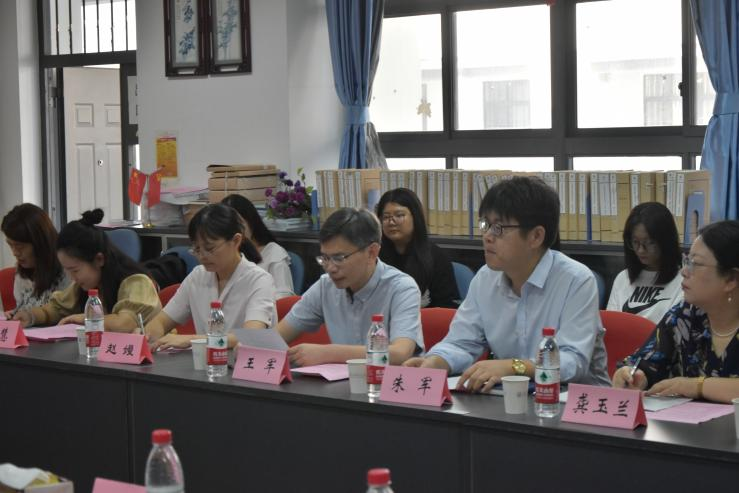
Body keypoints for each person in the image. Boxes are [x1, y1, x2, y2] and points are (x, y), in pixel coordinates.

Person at [404, 176, 610, 391]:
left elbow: (573, 361)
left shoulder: (576, 280)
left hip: (576, 401)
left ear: (536, 236)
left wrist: (514, 367)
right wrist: (435, 362)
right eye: (485, 225)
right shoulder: (485, 278)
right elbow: (462, 342)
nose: (487, 236)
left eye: (499, 228)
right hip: (512, 396)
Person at [276, 208, 424, 367]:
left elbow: (400, 353)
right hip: (344, 380)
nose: (330, 268)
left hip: (391, 380)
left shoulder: (402, 288)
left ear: (371, 252)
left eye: (339, 258)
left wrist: (328, 353)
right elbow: (276, 337)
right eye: (325, 258)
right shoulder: (325, 286)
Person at [613, 220, 739, 404]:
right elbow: (646, 362)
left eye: (696, 264)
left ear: (731, 279)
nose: (684, 272)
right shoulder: (685, 315)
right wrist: (634, 376)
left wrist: (695, 386)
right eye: (687, 261)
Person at [147, 204, 276, 350]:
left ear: (236, 241)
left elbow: (252, 337)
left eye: (209, 248)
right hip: (207, 362)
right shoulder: (198, 276)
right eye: (197, 249)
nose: (202, 256)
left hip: (245, 363)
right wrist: (148, 334)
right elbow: (162, 321)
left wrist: (192, 340)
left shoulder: (259, 281)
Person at [13, 209, 160, 331]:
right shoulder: (86, 286)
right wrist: (31, 316)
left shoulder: (137, 282)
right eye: (67, 270)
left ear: (99, 260)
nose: (72, 277)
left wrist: (86, 319)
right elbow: (56, 309)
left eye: (75, 270)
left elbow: (124, 324)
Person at [376, 188, 458, 308]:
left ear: (415, 217)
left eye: (399, 215)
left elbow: (446, 307)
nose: (391, 222)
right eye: (386, 217)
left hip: (425, 318)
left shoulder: (436, 257)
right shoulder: (375, 255)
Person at [607, 202, 683, 324]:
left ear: (666, 241)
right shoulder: (623, 278)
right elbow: (612, 324)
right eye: (635, 242)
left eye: (650, 242)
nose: (641, 250)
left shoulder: (683, 281)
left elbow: (676, 328)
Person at [1, 203, 70, 316]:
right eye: (10, 245)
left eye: (20, 247)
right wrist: (14, 314)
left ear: (39, 243)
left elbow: (67, 312)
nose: (14, 253)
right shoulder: (22, 272)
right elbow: (21, 307)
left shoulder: (68, 269)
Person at [221, 194, 295, 297]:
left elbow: (285, 295)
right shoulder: (227, 255)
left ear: (251, 220)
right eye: (228, 227)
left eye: (238, 223)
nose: (235, 231)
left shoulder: (273, 253)